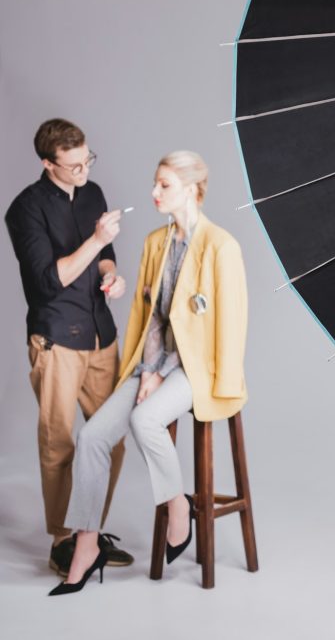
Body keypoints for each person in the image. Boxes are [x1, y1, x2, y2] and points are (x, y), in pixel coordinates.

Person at [49, 150, 248, 595]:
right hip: (153, 362)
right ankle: (85, 543)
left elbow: (228, 329)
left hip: (201, 369)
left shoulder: (221, 247)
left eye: (164, 185)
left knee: (144, 420)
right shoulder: (157, 243)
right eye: (155, 184)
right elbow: (154, 319)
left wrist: (166, 374)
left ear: (192, 190)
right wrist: (148, 371)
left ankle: (177, 508)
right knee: (92, 437)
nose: (154, 192)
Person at [5, 119, 135, 577]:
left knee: (110, 439)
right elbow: (47, 281)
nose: (83, 171)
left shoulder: (94, 192)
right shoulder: (25, 209)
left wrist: (109, 274)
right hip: (57, 337)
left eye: (87, 161)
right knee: (58, 444)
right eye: (73, 165)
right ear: (48, 163)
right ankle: (64, 541)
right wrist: (97, 239)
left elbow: (104, 258)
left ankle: (89, 533)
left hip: (102, 333)